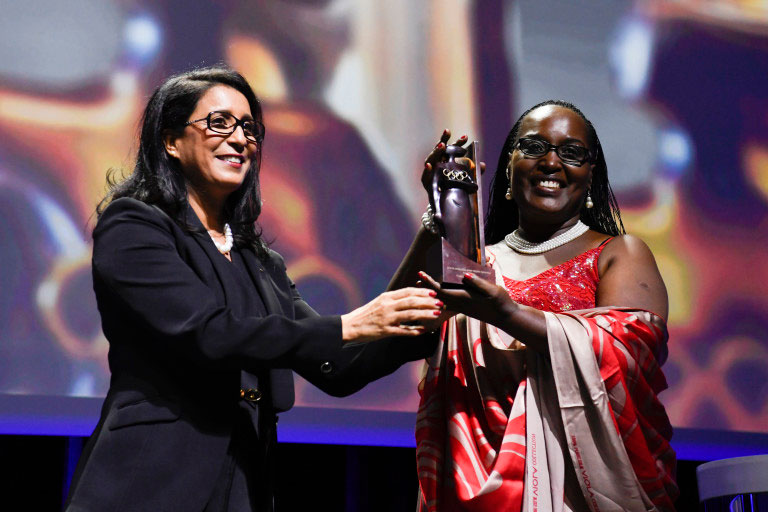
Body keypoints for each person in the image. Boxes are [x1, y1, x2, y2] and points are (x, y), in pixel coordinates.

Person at [63, 66, 442, 512]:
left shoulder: (258, 259)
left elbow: (338, 366)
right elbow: (208, 333)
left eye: (248, 128)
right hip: (149, 482)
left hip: (244, 483)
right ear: (170, 141)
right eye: (219, 123)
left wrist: (434, 226)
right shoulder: (135, 226)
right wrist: (351, 323)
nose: (240, 139)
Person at [391, 100, 679, 511]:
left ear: (590, 174)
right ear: (508, 167)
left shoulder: (620, 254)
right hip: (470, 488)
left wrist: (507, 315)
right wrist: (440, 215)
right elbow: (394, 323)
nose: (550, 162)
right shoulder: (472, 261)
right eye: (533, 147)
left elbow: (626, 354)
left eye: (572, 152)